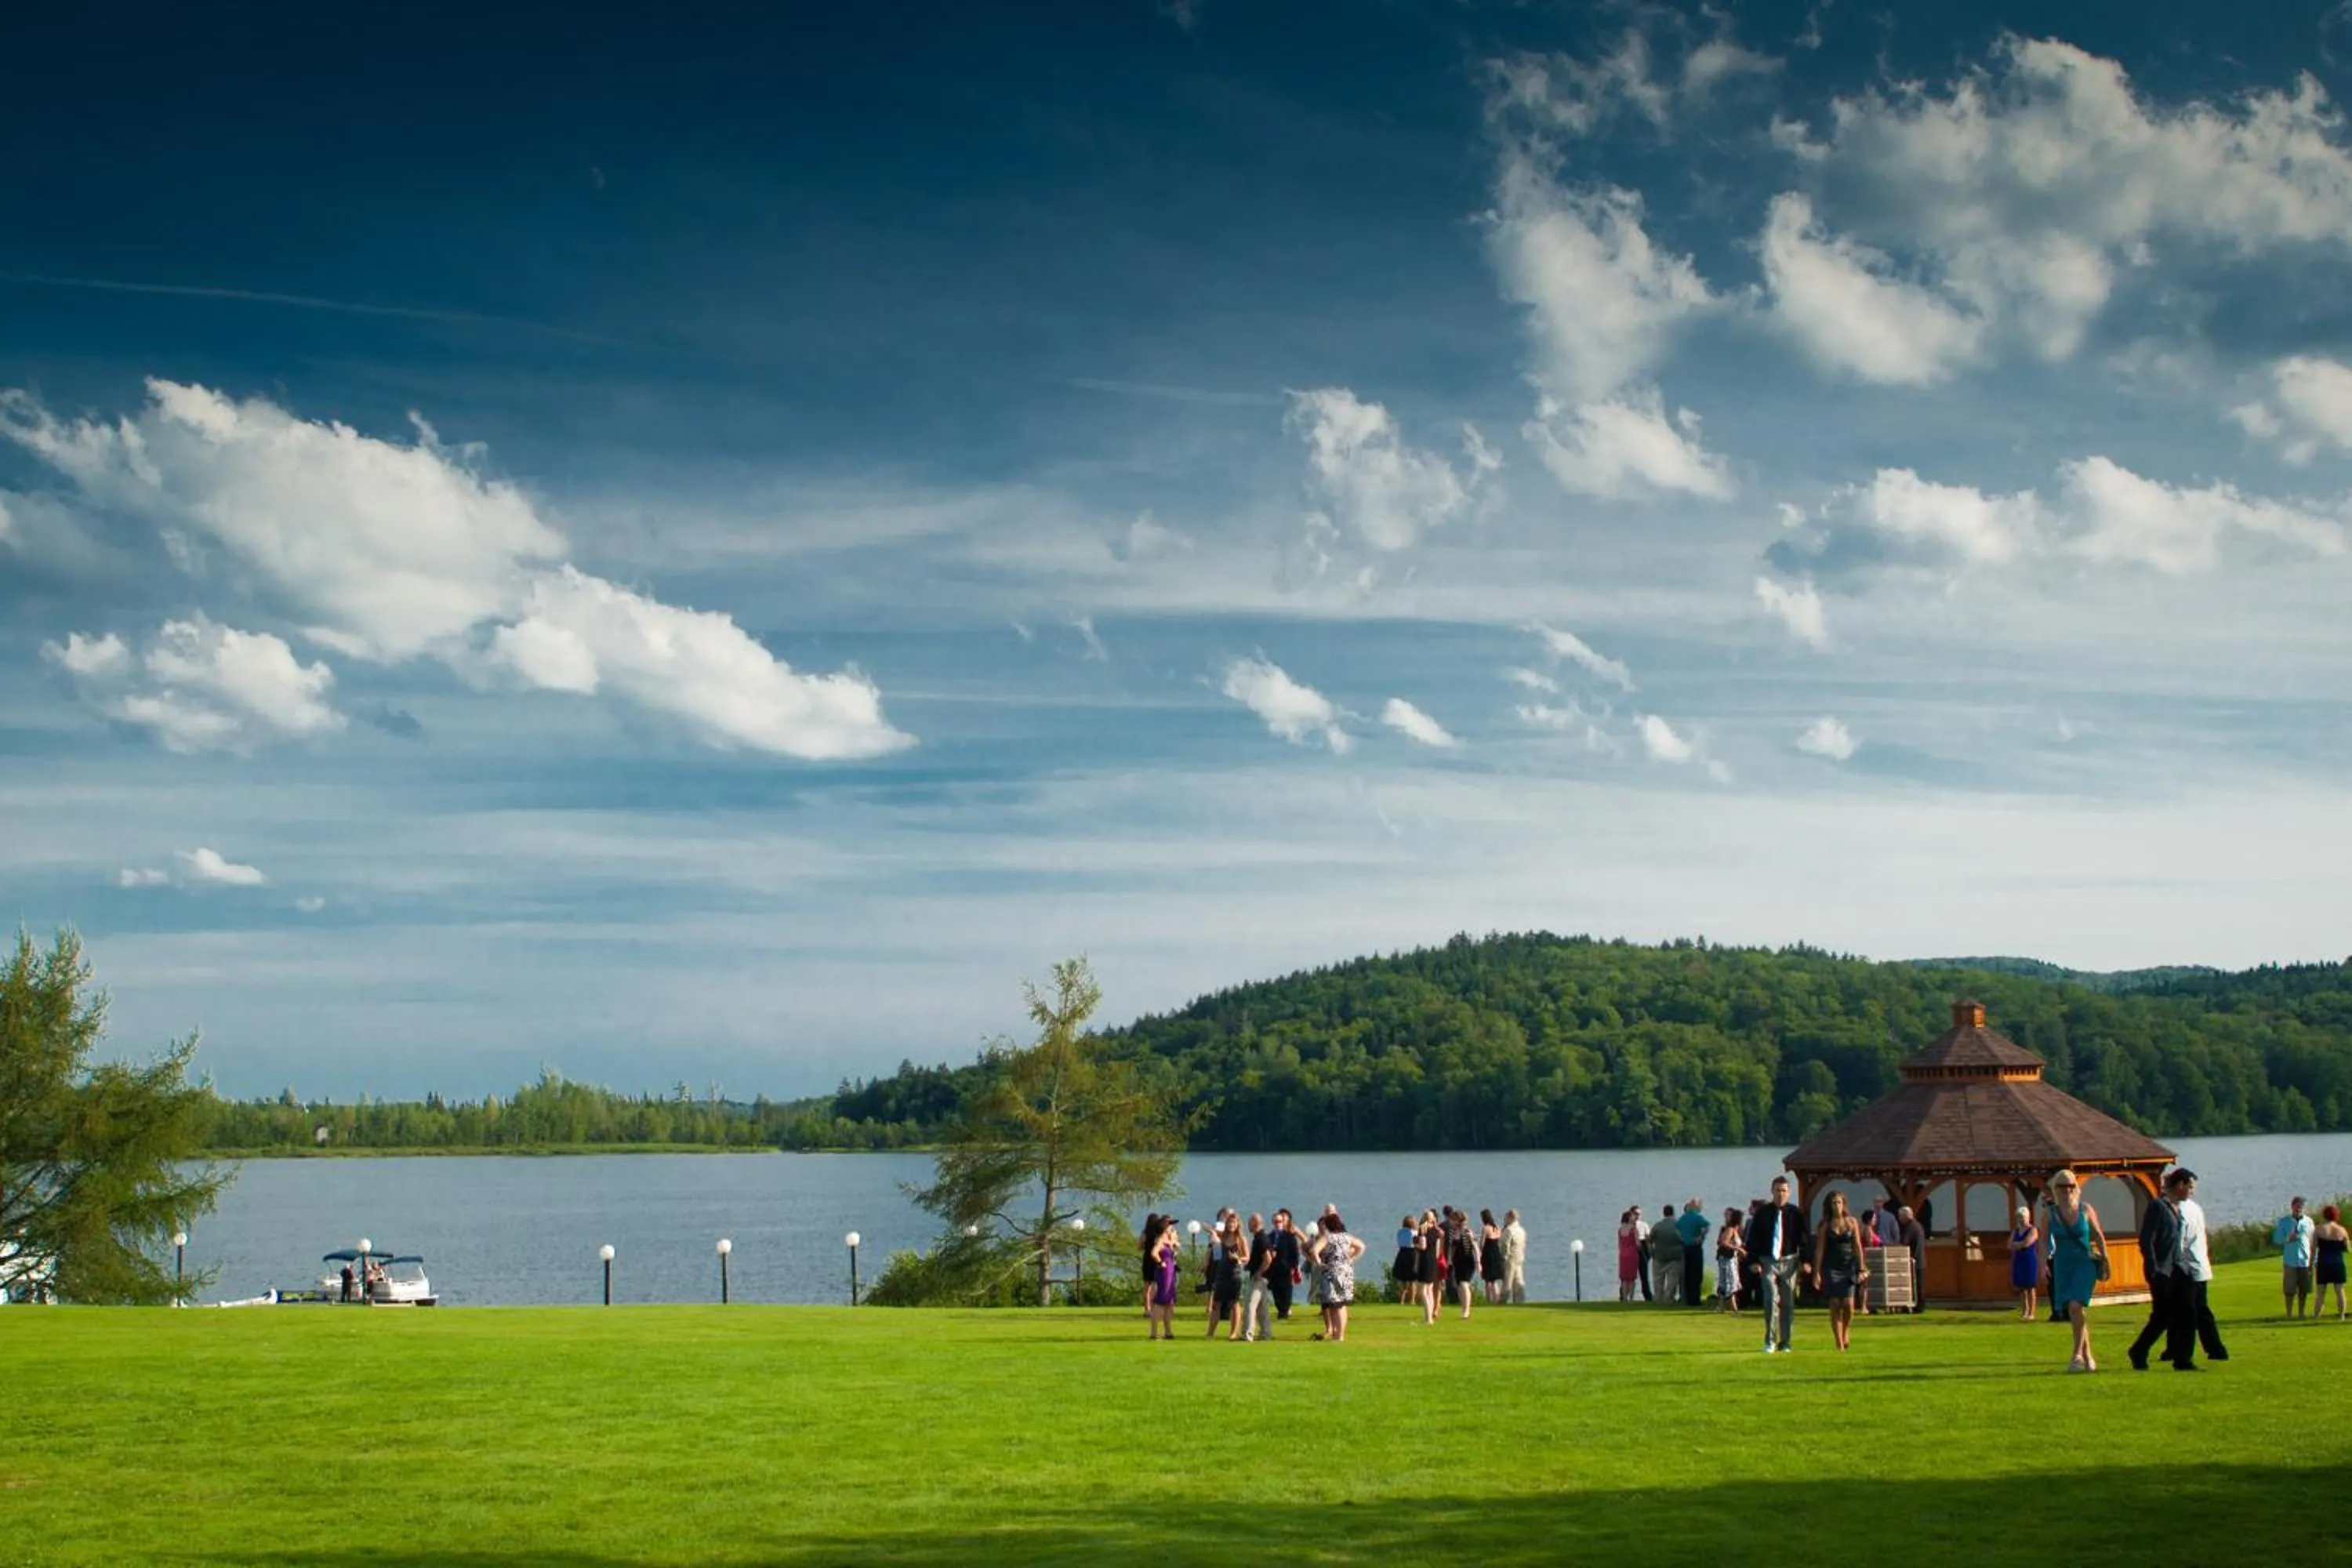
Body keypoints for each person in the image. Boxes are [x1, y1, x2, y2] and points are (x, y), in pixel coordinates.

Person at [2047, 1169, 2107, 1373]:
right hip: (2063, 1265)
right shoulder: (2050, 1214)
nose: (2067, 1191)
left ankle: (2076, 1356)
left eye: (2071, 1186)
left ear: (2076, 1188)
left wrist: (2105, 1259)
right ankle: (2088, 1355)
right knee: (2075, 1312)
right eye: (2062, 1187)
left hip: (2084, 1262)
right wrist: (2040, 1265)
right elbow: (2042, 1243)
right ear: (2055, 1189)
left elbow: (2099, 1236)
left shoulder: (2086, 1210)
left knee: (2075, 1306)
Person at [1744, 1175, 1810, 1353]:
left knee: (1788, 1303)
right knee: (1770, 1300)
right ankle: (1770, 1341)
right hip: (1768, 1261)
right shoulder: (1763, 1213)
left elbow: (1803, 1239)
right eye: (1777, 1190)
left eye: (1784, 1191)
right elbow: (1753, 1240)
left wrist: (1806, 1261)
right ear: (1772, 1191)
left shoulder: (1795, 1214)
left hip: (1789, 1262)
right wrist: (1753, 1261)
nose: (1780, 1194)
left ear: (1789, 1193)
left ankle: (1786, 1342)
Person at [1813, 1192, 1870, 1352]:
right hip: (1831, 1267)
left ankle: (1845, 1332)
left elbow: (1858, 1246)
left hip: (1848, 1266)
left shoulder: (1852, 1222)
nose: (1836, 1206)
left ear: (1844, 1204)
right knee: (1836, 1304)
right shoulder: (1825, 1225)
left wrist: (1862, 1267)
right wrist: (1816, 1273)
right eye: (1833, 1203)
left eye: (1839, 1202)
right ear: (1829, 1206)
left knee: (1849, 1305)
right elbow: (1819, 1250)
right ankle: (1839, 1342)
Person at [1312, 1212, 1366, 1341]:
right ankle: (1339, 1334)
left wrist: (1320, 1263)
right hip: (1346, 1272)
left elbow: (1314, 1250)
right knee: (1342, 1304)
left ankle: (1338, 1335)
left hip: (1332, 1272)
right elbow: (1361, 1246)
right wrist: (1352, 1259)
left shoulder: (1328, 1237)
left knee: (1335, 1305)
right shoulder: (1347, 1237)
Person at [2274, 1196, 2316, 1320]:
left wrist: (2313, 1258)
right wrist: (2288, 1239)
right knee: (2289, 1289)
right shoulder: (2284, 1221)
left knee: (2304, 1289)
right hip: (2290, 1260)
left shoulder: (2308, 1221)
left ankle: (2301, 1313)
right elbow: (2277, 1239)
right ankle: (2289, 1314)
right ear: (2292, 1206)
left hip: (2305, 1259)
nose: (2299, 1209)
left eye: (2301, 1207)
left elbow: (2313, 1240)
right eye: (2297, 1206)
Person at [1145, 1217, 1181, 1340]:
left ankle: (1168, 1331)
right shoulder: (1160, 1240)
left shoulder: (1170, 1240)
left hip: (1171, 1272)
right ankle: (1154, 1332)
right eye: (1171, 1225)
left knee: (1169, 1303)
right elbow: (1154, 1253)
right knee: (1160, 1301)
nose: (1173, 1228)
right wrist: (1161, 1262)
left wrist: (1174, 1243)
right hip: (1164, 1272)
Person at [1213, 1214, 1246, 1340]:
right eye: (1229, 1222)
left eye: (1234, 1223)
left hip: (1234, 1274)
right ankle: (1211, 1332)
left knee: (1234, 1303)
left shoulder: (1241, 1239)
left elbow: (1247, 1257)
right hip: (1222, 1273)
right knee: (1216, 1304)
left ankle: (1233, 1333)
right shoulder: (1223, 1237)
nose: (1232, 1225)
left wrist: (1238, 1259)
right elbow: (1214, 1232)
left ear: (1237, 1225)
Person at [1243, 1213, 1275, 1341]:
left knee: (1250, 1305)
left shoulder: (1261, 1239)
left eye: (1250, 1222)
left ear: (1255, 1224)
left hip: (1259, 1278)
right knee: (1262, 1308)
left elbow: (1268, 1258)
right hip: (1263, 1278)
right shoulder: (1262, 1238)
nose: (1248, 1225)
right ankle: (1265, 1333)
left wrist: (1259, 1272)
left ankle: (1247, 1334)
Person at [2008, 1206, 2042, 1323]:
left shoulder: (2033, 1230)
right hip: (2019, 1259)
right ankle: (2024, 1311)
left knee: (2030, 1287)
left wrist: (2017, 1244)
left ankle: (2032, 1313)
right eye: (2019, 1217)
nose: (2021, 1220)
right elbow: (2009, 1245)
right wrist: (2019, 1244)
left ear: (2028, 1217)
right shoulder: (2016, 1231)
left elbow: (2027, 1243)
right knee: (2021, 1287)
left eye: (2023, 1217)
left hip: (2029, 1260)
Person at [2315, 1204, 2349, 1321]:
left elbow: (2313, 1248)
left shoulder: (2318, 1229)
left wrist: (2310, 1264)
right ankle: (2341, 1316)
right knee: (2339, 1290)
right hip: (2337, 1262)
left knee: (2320, 1291)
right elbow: (2347, 1249)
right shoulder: (2342, 1230)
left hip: (2323, 1262)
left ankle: (2317, 1316)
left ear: (2324, 1215)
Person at [1269, 1210, 1303, 1323]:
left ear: (1283, 1222)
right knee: (1276, 1291)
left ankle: (1284, 1312)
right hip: (1274, 1269)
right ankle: (1280, 1310)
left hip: (1286, 1268)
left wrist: (1293, 1267)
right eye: (1276, 1222)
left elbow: (1295, 1253)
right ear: (1273, 1223)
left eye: (1280, 1221)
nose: (1278, 1223)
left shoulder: (1289, 1236)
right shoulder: (1269, 1237)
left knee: (1286, 1291)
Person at [1446, 1210, 1480, 1320]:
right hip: (1457, 1261)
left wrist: (1478, 1262)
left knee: (1465, 1284)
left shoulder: (1467, 1232)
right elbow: (1452, 1247)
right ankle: (1463, 1308)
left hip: (1467, 1261)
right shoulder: (1453, 1232)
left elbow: (1475, 1247)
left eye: (1453, 1220)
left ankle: (1467, 1311)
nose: (1451, 1222)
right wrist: (1450, 1259)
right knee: (1459, 1285)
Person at [1677, 1198, 1710, 1308]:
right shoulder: (1697, 1217)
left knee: (1688, 1274)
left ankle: (1688, 1299)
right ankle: (1695, 1300)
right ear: (1696, 1206)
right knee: (1696, 1274)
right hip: (1695, 1247)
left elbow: (1676, 1228)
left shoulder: (1683, 1218)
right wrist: (1701, 1237)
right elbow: (1707, 1225)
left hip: (1685, 1247)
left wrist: (1682, 1237)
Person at [1650, 1205, 1684, 1306]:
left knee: (1658, 1279)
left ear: (1664, 1213)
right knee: (1672, 1280)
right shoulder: (1679, 1226)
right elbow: (1684, 1240)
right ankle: (1669, 1298)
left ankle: (1658, 1297)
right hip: (1675, 1257)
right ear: (1673, 1213)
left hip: (1659, 1256)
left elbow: (1650, 1241)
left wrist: (1652, 1252)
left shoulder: (1657, 1226)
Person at [1714, 1207, 1745, 1313]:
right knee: (1731, 1282)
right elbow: (1724, 1242)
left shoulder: (1735, 1230)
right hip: (1727, 1259)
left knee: (1725, 1282)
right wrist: (1739, 1249)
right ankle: (1734, 1309)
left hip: (1732, 1259)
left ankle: (1721, 1306)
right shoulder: (1730, 1230)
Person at [1898, 1205, 1927, 1313]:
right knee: (1919, 1284)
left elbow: (1904, 1242)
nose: (1899, 1219)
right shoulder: (1918, 1225)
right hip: (1920, 1258)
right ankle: (1920, 1305)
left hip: (1914, 1259)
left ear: (1906, 1216)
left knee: (1914, 1284)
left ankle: (1917, 1306)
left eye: (1900, 1216)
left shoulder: (1910, 1227)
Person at [1479, 1209, 1506, 1305]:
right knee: (1494, 1281)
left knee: (1487, 1280)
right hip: (1496, 1255)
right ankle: (1496, 1300)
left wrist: (1480, 1253)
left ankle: (1489, 1300)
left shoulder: (1485, 1228)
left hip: (1488, 1255)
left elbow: (1481, 1244)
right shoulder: (1497, 1228)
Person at [1393, 1214, 1420, 1309]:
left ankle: (1402, 1299)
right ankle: (1412, 1300)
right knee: (1412, 1279)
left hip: (1402, 1253)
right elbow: (1417, 1244)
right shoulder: (1415, 1233)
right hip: (1412, 1254)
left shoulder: (1399, 1232)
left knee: (1401, 1279)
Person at [1617, 1209, 1643, 1303]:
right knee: (1631, 1278)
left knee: (1624, 1278)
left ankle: (1624, 1298)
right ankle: (1631, 1298)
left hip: (1623, 1254)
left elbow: (1619, 1244)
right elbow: (1638, 1244)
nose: (1634, 1217)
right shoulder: (1633, 1229)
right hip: (1632, 1254)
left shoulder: (1620, 1230)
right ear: (1629, 1218)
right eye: (1632, 1216)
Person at [1503, 1210, 1527, 1305]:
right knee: (1519, 1281)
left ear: (1510, 1218)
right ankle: (1520, 1301)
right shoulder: (1521, 1230)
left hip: (1510, 1259)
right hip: (1519, 1258)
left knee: (1507, 1283)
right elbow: (1523, 1244)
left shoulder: (1509, 1230)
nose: (1505, 1219)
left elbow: (1504, 1245)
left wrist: (1504, 1255)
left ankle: (1502, 1301)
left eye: (1506, 1217)